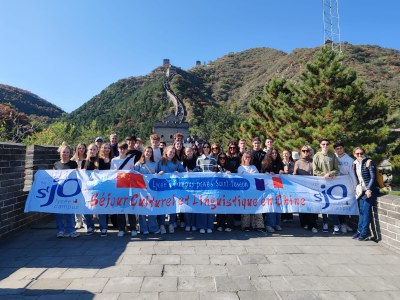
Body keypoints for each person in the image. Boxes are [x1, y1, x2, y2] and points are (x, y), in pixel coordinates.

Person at [156, 145, 186, 233]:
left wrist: (179, 172)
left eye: (173, 152)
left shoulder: (176, 162)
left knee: (173, 206)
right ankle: (161, 224)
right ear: (166, 152)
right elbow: (154, 174)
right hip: (162, 188)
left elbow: (183, 172)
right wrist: (159, 173)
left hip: (173, 189)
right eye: (170, 152)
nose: (172, 153)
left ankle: (171, 224)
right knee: (162, 206)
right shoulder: (160, 162)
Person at [110, 142, 138, 237]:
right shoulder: (113, 160)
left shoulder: (130, 160)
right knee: (120, 208)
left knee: (130, 208)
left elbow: (132, 172)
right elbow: (111, 174)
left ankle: (133, 228)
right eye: (120, 148)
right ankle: (122, 228)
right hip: (118, 186)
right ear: (118, 149)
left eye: (124, 148)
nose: (122, 150)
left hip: (128, 186)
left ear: (126, 149)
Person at [352, 147, 379, 241]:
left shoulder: (369, 162)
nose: (359, 155)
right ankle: (359, 231)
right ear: (354, 154)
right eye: (357, 154)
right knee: (361, 211)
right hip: (361, 190)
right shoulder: (355, 164)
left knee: (366, 210)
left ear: (364, 153)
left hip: (370, 189)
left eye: (361, 153)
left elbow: (373, 177)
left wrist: (368, 189)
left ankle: (365, 233)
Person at [312, 138, 340, 233]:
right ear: (320, 145)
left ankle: (336, 224)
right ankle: (325, 223)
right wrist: (323, 175)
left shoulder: (333, 155)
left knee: (333, 202)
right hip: (322, 183)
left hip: (332, 183)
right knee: (324, 203)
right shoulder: (317, 156)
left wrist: (330, 174)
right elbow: (315, 170)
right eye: (323, 144)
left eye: (327, 144)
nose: (325, 146)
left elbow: (337, 169)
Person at [53, 143, 80, 238]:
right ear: (60, 152)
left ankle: (71, 230)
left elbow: (78, 176)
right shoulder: (56, 164)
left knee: (70, 211)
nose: (65, 154)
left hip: (71, 192)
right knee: (59, 212)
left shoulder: (73, 164)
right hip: (59, 191)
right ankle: (60, 230)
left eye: (67, 152)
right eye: (64, 152)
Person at [82, 143, 108, 237]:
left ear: (97, 151)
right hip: (88, 190)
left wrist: (99, 173)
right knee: (87, 208)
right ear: (87, 151)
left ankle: (103, 227)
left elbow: (107, 175)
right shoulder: (84, 162)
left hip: (99, 189)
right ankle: (90, 227)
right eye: (90, 150)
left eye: (94, 149)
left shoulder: (101, 161)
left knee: (100, 208)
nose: (92, 151)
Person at [135, 147, 160, 235]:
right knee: (142, 209)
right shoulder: (138, 164)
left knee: (152, 209)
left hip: (152, 189)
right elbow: (135, 177)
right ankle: (143, 228)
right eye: (147, 151)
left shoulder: (155, 164)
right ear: (143, 152)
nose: (148, 153)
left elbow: (157, 175)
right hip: (141, 189)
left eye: (150, 152)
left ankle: (153, 227)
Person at [237, 151, 265, 231]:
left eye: (249, 157)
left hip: (254, 190)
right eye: (246, 157)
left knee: (257, 207)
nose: (248, 158)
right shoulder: (240, 168)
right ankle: (246, 225)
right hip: (245, 191)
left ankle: (259, 225)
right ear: (243, 158)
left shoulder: (254, 167)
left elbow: (258, 178)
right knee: (246, 208)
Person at [194, 142, 218, 233]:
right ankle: (202, 226)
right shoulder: (199, 159)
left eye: (208, 147)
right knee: (202, 205)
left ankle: (209, 226)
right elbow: (197, 171)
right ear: (202, 148)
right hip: (202, 186)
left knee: (211, 206)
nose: (206, 148)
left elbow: (215, 170)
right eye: (205, 147)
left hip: (211, 186)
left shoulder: (213, 159)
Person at [293, 145, 318, 233]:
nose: (305, 152)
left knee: (312, 207)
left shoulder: (313, 161)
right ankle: (304, 223)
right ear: (301, 152)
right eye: (303, 151)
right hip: (301, 188)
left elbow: (316, 173)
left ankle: (313, 225)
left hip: (312, 187)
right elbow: (294, 175)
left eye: (307, 151)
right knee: (303, 207)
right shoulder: (298, 162)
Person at [334, 141, 357, 233]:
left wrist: (354, 186)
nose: (339, 150)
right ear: (335, 150)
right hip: (334, 185)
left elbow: (352, 174)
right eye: (337, 148)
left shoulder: (349, 160)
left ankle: (343, 224)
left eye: (341, 148)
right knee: (335, 205)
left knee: (344, 205)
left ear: (343, 149)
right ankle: (337, 224)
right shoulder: (332, 158)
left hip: (345, 185)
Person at [262, 148, 284, 233]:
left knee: (278, 204)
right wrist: (267, 173)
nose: (274, 154)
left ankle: (277, 223)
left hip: (278, 185)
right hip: (269, 186)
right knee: (271, 205)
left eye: (276, 153)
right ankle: (269, 224)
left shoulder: (279, 162)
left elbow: (281, 171)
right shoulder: (265, 163)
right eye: (273, 153)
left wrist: (282, 171)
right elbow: (262, 172)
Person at [216, 152, 233, 232]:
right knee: (221, 208)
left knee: (229, 208)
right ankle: (220, 224)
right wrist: (216, 173)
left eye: (224, 158)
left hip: (229, 191)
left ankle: (229, 225)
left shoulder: (230, 167)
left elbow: (235, 177)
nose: (222, 160)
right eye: (221, 158)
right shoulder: (216, 167)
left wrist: (230, 173)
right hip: (219, 191)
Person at [182, 146, 198, 231]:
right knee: (187, 205)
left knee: (195, 204)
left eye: (190, 151)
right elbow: (181, 171)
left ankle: (194, 223)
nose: (189, 153)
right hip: (187, 186)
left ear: (193, 151)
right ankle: (188, 224)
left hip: (196, 185)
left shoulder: (197, 159)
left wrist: (193, 172)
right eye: (187, 151)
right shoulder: (184, 161)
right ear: (185, 153)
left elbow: (199, 168)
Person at [71, 143, 86, 229]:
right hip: (75, 183)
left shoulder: (87, 159)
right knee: (76, 202)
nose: (81, 149)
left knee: (84, 202)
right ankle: (78, 221)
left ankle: (84, 220)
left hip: (84, 183)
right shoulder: (73, 160)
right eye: (79, 148)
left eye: (83, 148)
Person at [281, 149, 295, 223]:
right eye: (284, 154)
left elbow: (295, 172)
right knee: (282, 200)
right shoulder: (280, 163)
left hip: (290, 184)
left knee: (289, 199)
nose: (285, 155)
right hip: (282, 183)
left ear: (290, 154)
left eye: (287, 153)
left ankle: (290, 216)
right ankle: (283, 216)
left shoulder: (293, 163)